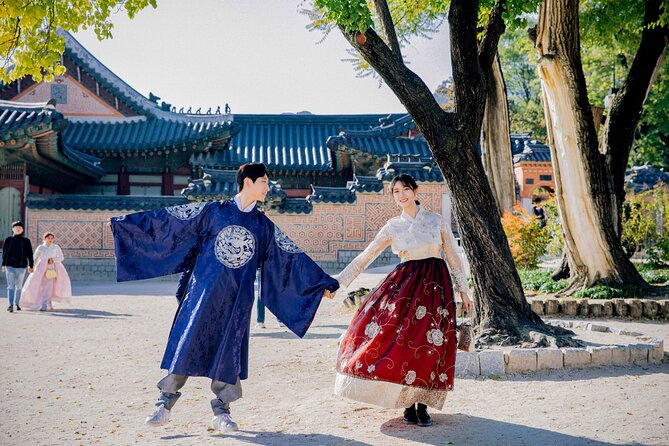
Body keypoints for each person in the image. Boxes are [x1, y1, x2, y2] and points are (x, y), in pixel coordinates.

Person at [108, 163, 338, 432]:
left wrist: (319, 283)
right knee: (187, 343)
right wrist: (124, 226)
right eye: (264, 181)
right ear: (248, 182)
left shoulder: (263, 226)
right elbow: (170, 222)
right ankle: (164, 404)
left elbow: (289, 258)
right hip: (202, 293)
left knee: (228, 353)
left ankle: (222, 412)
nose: (268, 186)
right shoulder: (212, 211)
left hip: (237, 301)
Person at [333, 174, 473, 427]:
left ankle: (423, 406)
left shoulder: (435, 221)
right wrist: (339, 282)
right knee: (405, 344)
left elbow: (452, 256)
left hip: (435, 287)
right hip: (405, 289)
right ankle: (408, 405)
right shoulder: (392, 226)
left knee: (433, 345)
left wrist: (464, 291)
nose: (401, 195)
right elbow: (367, 256)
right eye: (395, 191)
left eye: (405, 189)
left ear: (416, 191)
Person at [20, 232, 72, 311]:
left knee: (50, 286)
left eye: (52, 238)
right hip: (41, 268)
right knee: (40, 285)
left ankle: (46, 304)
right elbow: (35, 257)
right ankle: (44, 303)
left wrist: (53, 260)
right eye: (48, 238)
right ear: (44, 239)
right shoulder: (41, 247)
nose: (50, 240)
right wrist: (31, 266)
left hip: (53, 268)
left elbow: (61, 257)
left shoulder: (56, 247)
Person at [2, 221, 34, 312]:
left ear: (23, 229)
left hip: (21, 267)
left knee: (19, 286)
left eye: (20, 227)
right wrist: (3, 264)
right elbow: (4, 253)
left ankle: (17, 303)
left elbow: (30, 254)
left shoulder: (26, 241)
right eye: (16, 227)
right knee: (10, 286)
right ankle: (10, 305)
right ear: (13, 229)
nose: (18, 228)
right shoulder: (8, 239)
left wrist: (31, 265)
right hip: (10, 266)